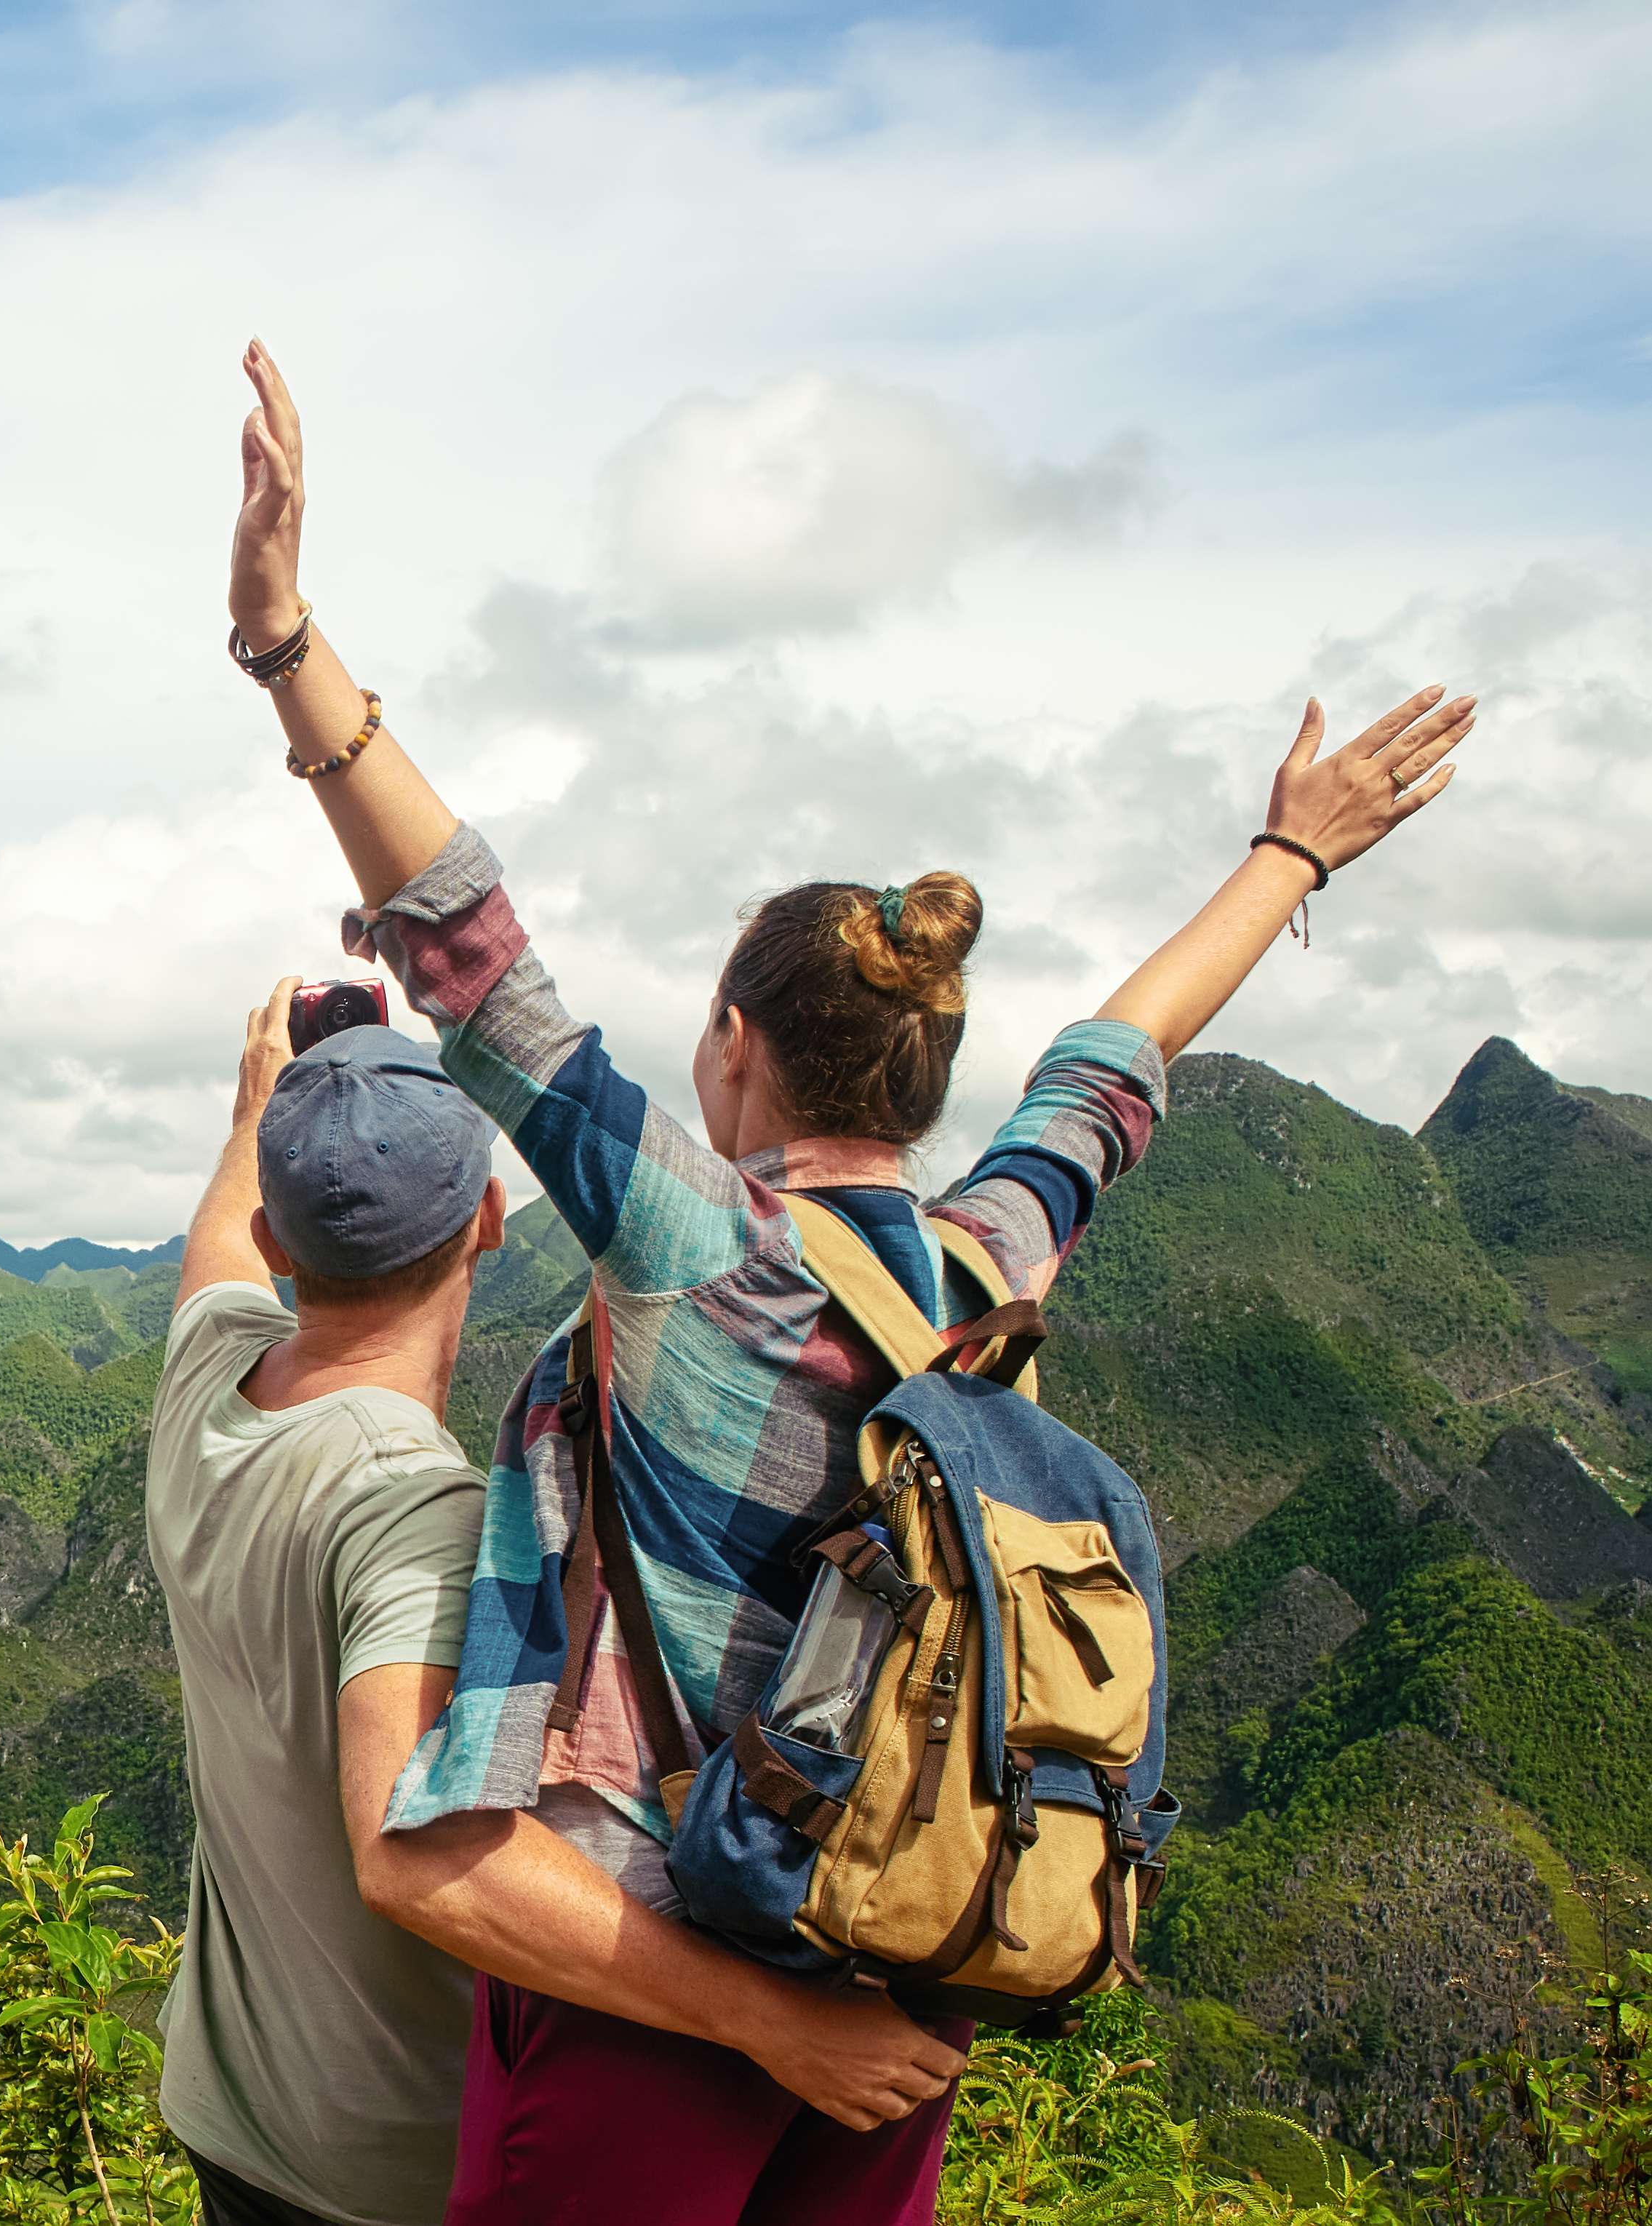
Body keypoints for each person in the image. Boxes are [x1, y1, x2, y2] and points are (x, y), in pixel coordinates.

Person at [215, 337, 1475, 2225]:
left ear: (731, 1054)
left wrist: (286, 645)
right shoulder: (986, 1262)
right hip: (899, 1964)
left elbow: (468, 951)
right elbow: (1108, 1068)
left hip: (650, 1980)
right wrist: (1291, 848)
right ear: (916, 1083)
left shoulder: (692, 1247)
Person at [151, 1010, 983, 2226]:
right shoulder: (421, 1514)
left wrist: (261, 1111)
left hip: (229, 2114)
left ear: (281, 1246)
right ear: (490, 1217)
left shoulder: (206, 1386)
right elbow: (415, 1857)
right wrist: (772, 2022)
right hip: (390, 2163)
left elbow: (218, 1238)